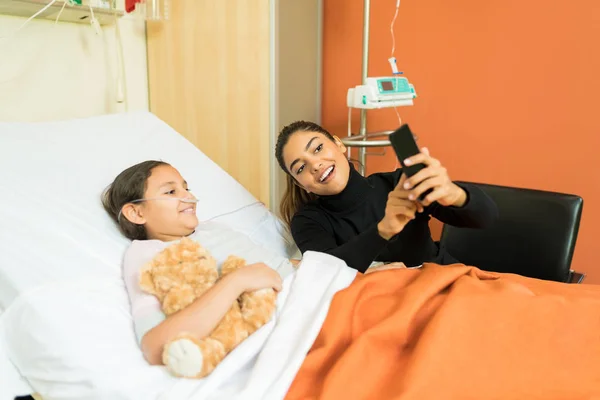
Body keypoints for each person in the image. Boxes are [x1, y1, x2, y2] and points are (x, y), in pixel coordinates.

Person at [101, 160, 295, 366]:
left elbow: (280, 264)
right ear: (137, 213)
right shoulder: (149, 254)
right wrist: (237, 281)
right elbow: (154, 345)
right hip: (287, 312)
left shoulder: (213, 228)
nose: (190, 197)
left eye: (186, 188)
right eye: (170, 192)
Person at [275, 121, 499, 273]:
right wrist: (384, 229)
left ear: (339, 144)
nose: (315, 165)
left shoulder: (399, 183)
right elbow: (325, 272)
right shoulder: (308, 221)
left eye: (317, 149)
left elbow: (486, 217)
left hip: (442, 283)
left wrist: (453, 193)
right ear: (299, 183)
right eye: (301, 167)